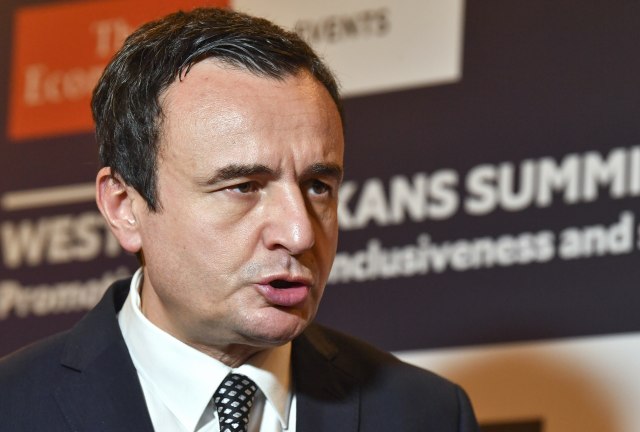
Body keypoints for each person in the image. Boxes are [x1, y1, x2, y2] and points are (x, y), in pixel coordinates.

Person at [0, 7, 479, 432]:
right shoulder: (12, 407)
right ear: (125, 208)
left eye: (318, 186)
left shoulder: (427, 414)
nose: (300, 233)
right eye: (244, 187)